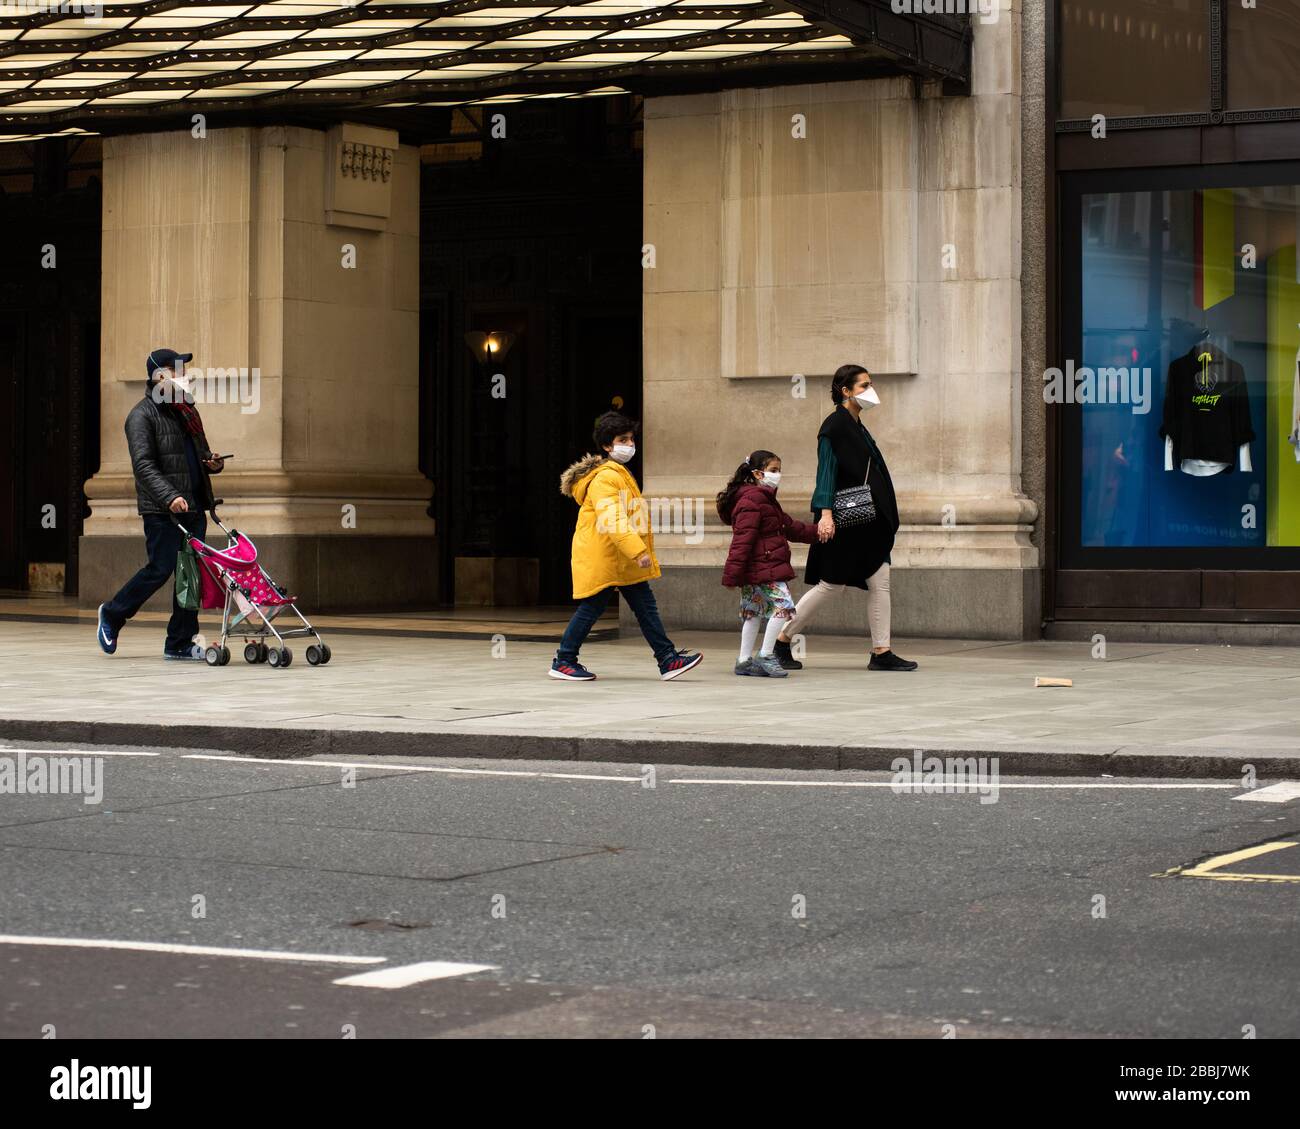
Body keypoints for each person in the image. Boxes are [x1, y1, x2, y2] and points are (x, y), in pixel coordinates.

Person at [773, 364, 918, 672]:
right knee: (831, 585)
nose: (870, 390)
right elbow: (825, 472)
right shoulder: (834, 426)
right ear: (846, 391)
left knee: (880, 580)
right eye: (864, 386)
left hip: (868, 523)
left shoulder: (856, 424)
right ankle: (781, 641)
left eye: (869, 384)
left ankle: (882, 652)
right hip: (846, 520)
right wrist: (825, 515)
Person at [551, 411, 703, 682]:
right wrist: (638, 550)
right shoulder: (605, 478)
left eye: (631, 439)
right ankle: (564, 660)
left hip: (618, 556)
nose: (630, 445)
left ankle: (667, 659)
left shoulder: (618, 473)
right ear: (607, 445)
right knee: (593, 607)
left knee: (645, 606)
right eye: (623, 439)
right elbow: (613, 518)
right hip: (607, 555)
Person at [97, 348, 225, 660]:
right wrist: (170, 497)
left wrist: (211, 462)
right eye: (176, 369)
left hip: (193, 506)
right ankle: (112, 615)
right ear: (160, 376)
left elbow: (201, 452)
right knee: (161, 568)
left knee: (189, 575)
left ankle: (179, 642)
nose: (184, 375)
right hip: (163, 510)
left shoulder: (187, 412)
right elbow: (144, 466)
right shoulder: (141, 416)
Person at [717, 450, 818, 678]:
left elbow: (790, 527)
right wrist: (731, 575)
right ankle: (765, 654)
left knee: (753, 613)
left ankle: (744, 660)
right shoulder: (753, 500)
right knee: (783, 607)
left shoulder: (763, 500)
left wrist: (818, 532)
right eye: (773, 470)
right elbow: (742, 540)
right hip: (763, 568)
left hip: (759, 568)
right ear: (757, 473)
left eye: (779, 470)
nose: (778, 475)